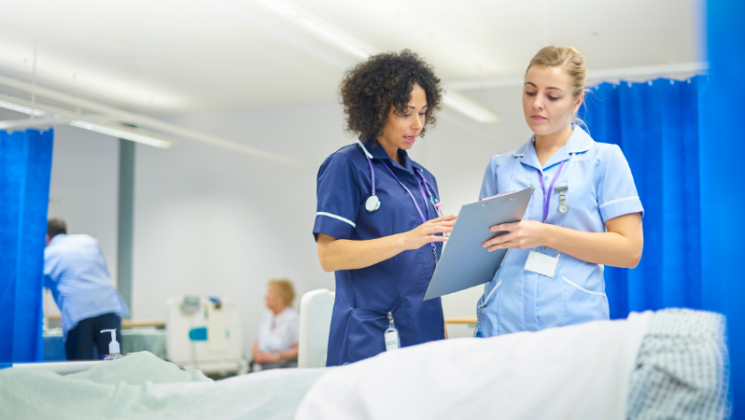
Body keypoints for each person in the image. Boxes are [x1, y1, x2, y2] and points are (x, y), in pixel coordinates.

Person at [475, 46, 644, 337]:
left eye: (552, 96)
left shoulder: (603, 159)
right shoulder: (501, 167)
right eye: (530, 92)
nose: (537, 104)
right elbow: (484, 252)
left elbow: (630, 251)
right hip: (503, 323)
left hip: (575, 324)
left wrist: (544, 234)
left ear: (577, 101)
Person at [314, 50, 456, 366]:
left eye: (423, 112)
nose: (417, 124)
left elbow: (425, 269)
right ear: (377, 111)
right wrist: (406, 240)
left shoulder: (424, 178)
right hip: (372, 335)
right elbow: (329, 255)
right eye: (405, 113)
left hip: (425, 330)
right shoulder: (347, 165)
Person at [43, 218, 130, 360]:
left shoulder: (48, 254)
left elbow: (37, 284)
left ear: (46, 237)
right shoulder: (89, 241)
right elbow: (102, 271)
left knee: (80, 367)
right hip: (109, 306)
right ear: (67, 233)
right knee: (114, 363)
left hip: (80, 313)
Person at [251, 279, 299, 371]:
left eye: (270, 292)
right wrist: (258, 354)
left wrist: (276, 356)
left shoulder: (293, 319)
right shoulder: (267, 316)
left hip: (281, 368)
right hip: (261, 367)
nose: (266, 296)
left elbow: (300, 349)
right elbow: (257, 343)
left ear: (282, 297)